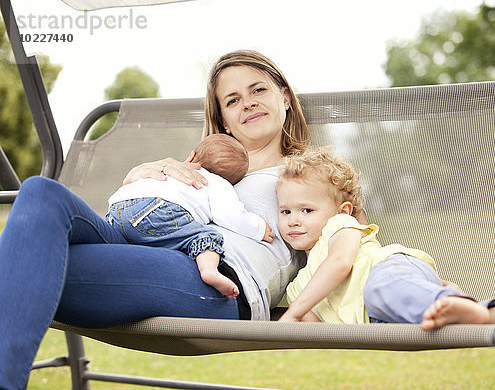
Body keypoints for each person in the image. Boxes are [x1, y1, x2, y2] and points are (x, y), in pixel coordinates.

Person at [0, 49, 310, 390]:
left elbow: (349, 235)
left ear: (284, 96)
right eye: (233, 100)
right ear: (222, 119)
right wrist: (137, 177)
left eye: (258, 90)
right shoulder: (202, 170)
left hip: (218, 280)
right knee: (41, 193)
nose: (248, 103)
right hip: (148, 247)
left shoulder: (311, 173)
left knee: (27, 262)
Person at [276, 147, 495, 330]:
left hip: (388, 271)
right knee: (391, 308)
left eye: (306, 210)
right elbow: (318, 330)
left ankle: (449, 301)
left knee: (379, 292)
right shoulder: (297, 287)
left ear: (343, 210)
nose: (293, 220)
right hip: (377, 318)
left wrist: (294, 312)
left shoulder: (340, 226)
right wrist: (299, 314)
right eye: (285, 211)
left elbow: (339, 264)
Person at [107, 133, 277, 298]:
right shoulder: (218, 184)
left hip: (117, 208)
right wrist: (260, 228)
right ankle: (209, 270)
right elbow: (231, 216)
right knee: (205, 236)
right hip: (157, 210)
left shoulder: (172, 169)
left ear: (191, 156)